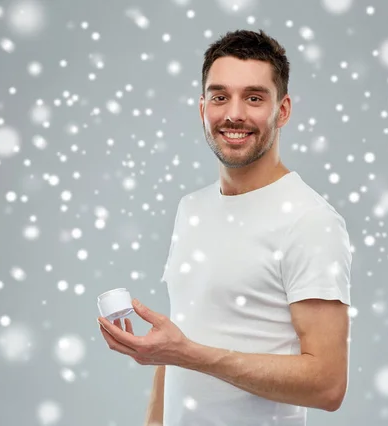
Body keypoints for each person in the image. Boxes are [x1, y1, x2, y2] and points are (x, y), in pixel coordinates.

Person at [98, 29, 352, 426]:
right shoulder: (191, 209)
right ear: (202, 108)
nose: (234, 113)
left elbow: (328, 384)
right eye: (220, 97)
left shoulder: (309, 221)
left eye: (253, 97)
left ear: (282, 110)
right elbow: (177, 346)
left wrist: (189, 354)